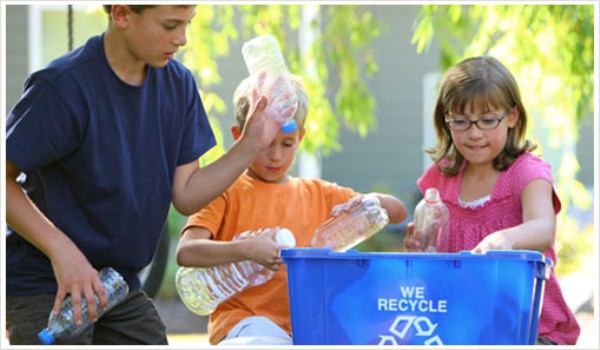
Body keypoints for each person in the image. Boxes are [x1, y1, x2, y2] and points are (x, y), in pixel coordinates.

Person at [5, 5, 280, 345]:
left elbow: (187, 194)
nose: (181, 39)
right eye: (169, 25)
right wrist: (63, 252)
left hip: (118, 286)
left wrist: (250, 144)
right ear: (121, 14)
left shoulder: (179, 87)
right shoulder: (62, 87)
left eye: (187, 24)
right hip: (47, 283)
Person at [176, 74, 408, 345]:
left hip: (306, 327)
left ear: (301, 137)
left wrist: (368, 202)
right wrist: (246, 249)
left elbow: (398, 211)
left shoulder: (321, 194)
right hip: (246, 325)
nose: (276, 156)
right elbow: (186, 252)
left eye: (287, 144)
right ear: (240, 137)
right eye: (265, 144)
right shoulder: (224, 190)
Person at [403, 56, 580, 345]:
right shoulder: (441, 178)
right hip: (457, 322)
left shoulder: (527, 172)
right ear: (445, 120)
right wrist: (419, 247)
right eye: (460, 121)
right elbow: (431, 255)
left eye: (487, 120)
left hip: (526, 325)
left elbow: (542, 226)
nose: (474, 133)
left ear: (512, 117)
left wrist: (507, 238)